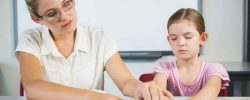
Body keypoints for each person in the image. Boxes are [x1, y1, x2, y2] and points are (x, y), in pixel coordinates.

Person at [15, 0, 173, 99]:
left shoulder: (98, 37)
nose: (64, 16)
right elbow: (33, 88)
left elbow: (126, 83)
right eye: (52, 13)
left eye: (67, 4)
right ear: (37, 19)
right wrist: (92, 96)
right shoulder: (31, 40)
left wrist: (142, 88)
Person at [152, 8, 230, 100]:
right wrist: (158, 94)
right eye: (174, 38)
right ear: (169, 41)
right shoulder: (164, 68)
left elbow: (211, 90)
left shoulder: (214, 69)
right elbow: (158, 88)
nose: (181, 43)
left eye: (188, 37)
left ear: (203, 38)